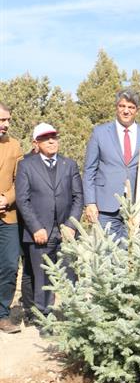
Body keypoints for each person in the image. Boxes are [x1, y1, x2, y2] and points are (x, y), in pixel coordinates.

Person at [14, 123, 83, 326]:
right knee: (43, 278)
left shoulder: (69, 164)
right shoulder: (26, 166)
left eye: (54, 137)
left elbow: (78, 197)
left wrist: (71, 225)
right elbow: (23, 200)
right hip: (40, 233)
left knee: (70, 275)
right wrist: (35, 227)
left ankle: (74, 318)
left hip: (66, 232)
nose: (52, 141)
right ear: (36, 143)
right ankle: (45, 320)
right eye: (46, 138)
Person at [83, 89, 140, 238]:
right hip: (105, 207)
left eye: (131, 107)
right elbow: (89, 170)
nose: (126, 111)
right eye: (122, 106)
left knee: (130, 250)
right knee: (106, 249)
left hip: (135, 207)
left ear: (137, 110)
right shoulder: (100, 133)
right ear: (116, 107)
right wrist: (90, 202)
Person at [0, 102, 23, 334]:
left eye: (8, 120)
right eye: (2, 120)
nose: (6, 124)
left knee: (8, 266)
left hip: (8, 216)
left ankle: (3, 315)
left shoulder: (14, 145)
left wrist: (7, 198)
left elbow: (20, 180)